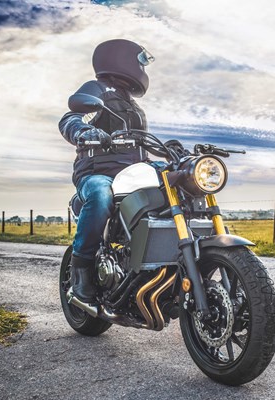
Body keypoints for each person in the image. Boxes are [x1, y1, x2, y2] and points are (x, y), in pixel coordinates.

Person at [58, 39, 154, 304]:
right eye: (140, 60)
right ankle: (82, 273)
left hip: (133, 175)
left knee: (177, 182)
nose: (142, 66)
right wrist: (84, 131)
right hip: (98, 173)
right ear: (121, 58)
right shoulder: (96, 90)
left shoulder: (131, 104)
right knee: (101, 195)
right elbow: (72, 118)